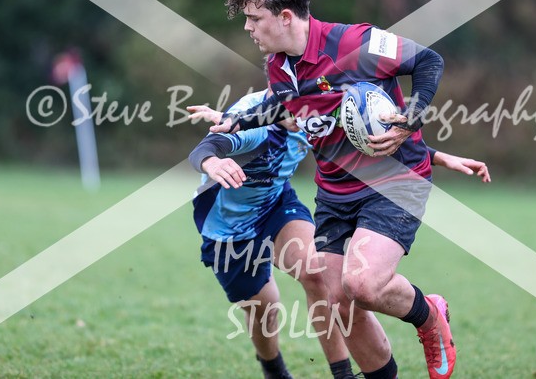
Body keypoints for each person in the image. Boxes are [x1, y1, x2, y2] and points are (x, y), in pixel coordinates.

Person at [208, 0, 458, 379]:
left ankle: (428, 315)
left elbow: (429, 61)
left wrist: (413, 115)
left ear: (285, 17)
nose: (248, 28)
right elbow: (292, 104)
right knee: (339, 304)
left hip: (394, 179)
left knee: (363, 285)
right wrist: (238, 121)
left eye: (254, 18)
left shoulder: (356, 43)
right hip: (335, 191)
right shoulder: (278, 65)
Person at [189, 87, 489, 378]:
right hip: (226, 228)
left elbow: (366, 137)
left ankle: (342, 374)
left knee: (317, 273)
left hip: (276, 207)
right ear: (276, 92)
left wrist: (439, 157)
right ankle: (273, 369)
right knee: (263, 309)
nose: (306, 117)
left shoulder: (311, 108)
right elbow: (206, 148)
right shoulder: (251, 124)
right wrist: (212, 161)